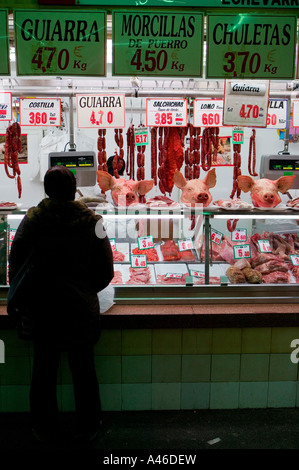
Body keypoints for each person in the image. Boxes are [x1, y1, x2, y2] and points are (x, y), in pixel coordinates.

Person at [9, 165, 114, 442]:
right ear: (73, 189)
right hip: (81, 310)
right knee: (84, 371)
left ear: (47, 190)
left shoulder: (32, 220)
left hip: (44, 309)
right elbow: (106, 272)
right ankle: (89, 426)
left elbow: (16, 264)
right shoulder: (95, 222)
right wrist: (86, 290)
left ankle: (44, 428)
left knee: (43, 371)